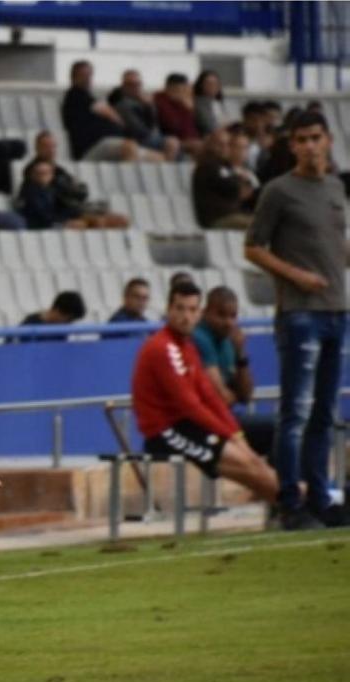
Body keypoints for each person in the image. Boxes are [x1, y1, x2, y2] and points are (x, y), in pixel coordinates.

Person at [245, 111, 348, 530]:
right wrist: (295, 275)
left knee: (325, 411)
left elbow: (335, 243)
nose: (309, 146)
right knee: (296, 412)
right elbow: (253, 246)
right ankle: (290, 501)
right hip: (300, 312)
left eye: (315, 138)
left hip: (336, 308)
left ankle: (321, 498)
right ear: (291, 146)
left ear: (328, 141)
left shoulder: (335, 188)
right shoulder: (279, 191)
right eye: (301, 139)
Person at [131, 281, 278, 504]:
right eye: (179, 308)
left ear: (199, 313)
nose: (185, 316)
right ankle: (310, 501)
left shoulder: (187, 347)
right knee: (249, 466)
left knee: (253, 464)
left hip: (189, 426)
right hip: (165, 432)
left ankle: (296, 504)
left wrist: (236, 434)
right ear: (168, 310)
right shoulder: (162, 347)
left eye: (191, 310)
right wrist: (230, 435)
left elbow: (210, 397)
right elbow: (190, 404)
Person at [192, 287, 272, 455]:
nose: (228, 322)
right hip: (202, 426)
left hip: (225, 421)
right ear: (206, 312)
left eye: (233, 316)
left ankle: (275, 480)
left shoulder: (229, 342)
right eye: (221, 315)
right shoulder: (199, 338)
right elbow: (222, 399)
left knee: (284, 428)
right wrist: (231, 395)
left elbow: (246, 395)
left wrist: (241, 354)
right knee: (277, 427)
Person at [22, 131, 129, 229]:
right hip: (65, 214)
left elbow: (80, 191)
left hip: (76, 209)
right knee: (99, 223)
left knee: (122, 220)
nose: (51, 150)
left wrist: (68, 190)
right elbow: (53, 199)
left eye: (53, 146)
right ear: (37, 148)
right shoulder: (33, 171)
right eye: (46, 146)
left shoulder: (59, 170)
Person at [61, 60, 137, 161]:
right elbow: (109, 113)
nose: (88, 79)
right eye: (83, 75)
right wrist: (120, 122)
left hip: (109, 143)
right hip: (91, 148)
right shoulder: (75, 95)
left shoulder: (87, 96)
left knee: (156, 157)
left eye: (89, 75)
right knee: (129, 147)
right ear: (73, 76)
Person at [108, 69, 179, 160]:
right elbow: (137, 129)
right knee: (172, 143)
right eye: (131, 85)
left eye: (138, 84)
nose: (135, 88)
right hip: (134, 139)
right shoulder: (122, 104)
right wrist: (148, 108)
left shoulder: (143, 101)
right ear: (123, 86)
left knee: (172, 142)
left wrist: (148, 107)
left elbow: (155, 123)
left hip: (149, 137)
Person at [193, 128, 254, 230]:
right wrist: (239, 184)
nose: (224, 148)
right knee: (259, 225)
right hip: (217, 218)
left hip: (233, 215)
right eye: (219, 144)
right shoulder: (208, 166)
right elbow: (235, 189)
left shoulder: (225, 166)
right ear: (210, 145)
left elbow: (247, 190)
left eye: (227, 145)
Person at [154, 73, 202, 158]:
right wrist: (186, 109)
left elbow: (195, 128)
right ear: (168, 88)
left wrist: (190, 109)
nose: (182, 93)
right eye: (179, 90)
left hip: (191, 139)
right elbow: (173, 125)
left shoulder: (186, 102)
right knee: (200, 147)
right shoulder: (160, 100)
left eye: (184, 89)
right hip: (172, 139)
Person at [15, 291, 87, 342]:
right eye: (69, 320)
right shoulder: (30, 324)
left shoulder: (61, 331)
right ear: (57, 310)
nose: (69, 324)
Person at [193, 70, 228, 137]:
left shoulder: (219, 103)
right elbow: (210, 126)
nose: (212, 86)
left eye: (215, 83)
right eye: (209, 83)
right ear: (201, 85)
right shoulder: (198, 103)